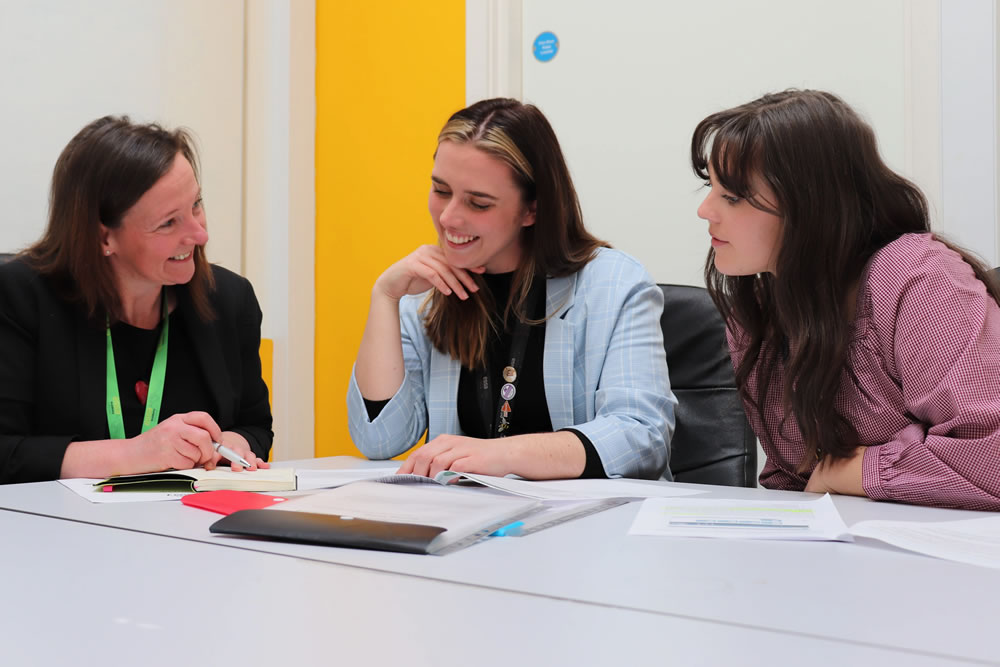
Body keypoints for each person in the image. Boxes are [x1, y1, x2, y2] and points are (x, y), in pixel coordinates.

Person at [692, 89, 1000, 510]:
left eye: (732, 196)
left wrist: (855, 470)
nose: (705, 210)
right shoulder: (757, 313)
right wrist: (908, 452)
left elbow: (991, 454)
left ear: (811, 205)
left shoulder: (916, 277)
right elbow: (796, 480)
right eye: (710, 187)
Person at [348, 98, 674, 480]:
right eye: (441, 190)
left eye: (478, 203)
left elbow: (641, 435)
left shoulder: (615, 284)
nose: (449, 217)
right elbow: (378, 440)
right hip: (464, 511)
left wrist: (502, 455)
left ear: (532, 209)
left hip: (584, 514)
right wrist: (385, 296)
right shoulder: (426, 291)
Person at [0, 116, 272, 484]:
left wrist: (232, 443)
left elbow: (255, 425)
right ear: (103, 238)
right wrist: (135, 454)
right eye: (168, 223)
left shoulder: (230, 299)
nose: (200, 234)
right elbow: (6, 452)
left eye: (196, 205)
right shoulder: (18, 298)